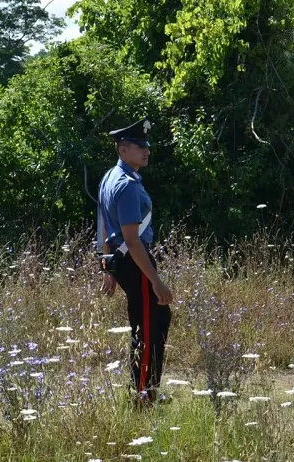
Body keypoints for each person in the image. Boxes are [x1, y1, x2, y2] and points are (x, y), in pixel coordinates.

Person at [97, 118, 173, 406]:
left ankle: (144, 388)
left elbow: (104, 228)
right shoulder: (126, 185)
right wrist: (156, 280)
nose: (146, 151)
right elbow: (130, 239)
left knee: (150, 321)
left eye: (147, 146)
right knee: (150, 324)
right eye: (139, 146)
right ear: (123, 150)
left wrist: (108, 269)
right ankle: (143, 394)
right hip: (135, 259)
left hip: (124, 261)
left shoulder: (110, 177)